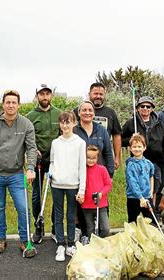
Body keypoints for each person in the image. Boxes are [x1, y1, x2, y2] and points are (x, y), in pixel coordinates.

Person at [0, 90, 37, 256]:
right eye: (8, 102)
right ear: (3, 104)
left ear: (19, 105)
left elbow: (32, 148)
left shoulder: (26, 124)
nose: (11, 105)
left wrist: (30, 167)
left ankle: (25, 241)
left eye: (14, 102)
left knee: (23, 207)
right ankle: (0, 239)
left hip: (17, 174)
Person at [74, 100, 114, 244]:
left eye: (90, 110)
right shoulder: (74, 130)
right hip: (80, 176)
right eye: (83, 110)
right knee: (83, 211)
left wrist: (110, 174)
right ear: (79, 113)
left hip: (99, 174)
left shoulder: (101, 129)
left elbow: (109, 152)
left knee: (102, 211)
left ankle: (102, 240)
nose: (87, 113)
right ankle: (86, 235)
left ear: (94, 112)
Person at [49, 111, 87, 261]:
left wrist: (82, 189)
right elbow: (52, 162)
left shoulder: (80, 142)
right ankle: (60, 245)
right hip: (57, 184)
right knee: (58, 215)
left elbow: (82, 168)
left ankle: (70, 244)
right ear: (60, 124)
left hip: (73, 185)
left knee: (71, 216)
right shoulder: (55, 143)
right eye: (62, 122)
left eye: (68, 122)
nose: (65, 125)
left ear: (74, 123)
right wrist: (51, 173)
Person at [26, 83, 61, 244]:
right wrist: (33, 152)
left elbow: (64, 135)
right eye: (41, 94)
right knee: (36, 196)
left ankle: (56, 227)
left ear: (51, 95)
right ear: (37, 96)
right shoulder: (30, 116)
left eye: (47, 94)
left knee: (56, 194)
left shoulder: (59, 114)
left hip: (56, 160)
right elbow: (27, 138)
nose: (45, 97)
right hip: (38, 160)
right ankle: (39, 225)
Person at [122, 96, 164, 208]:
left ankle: (152, 210)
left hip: (155, 161)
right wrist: (131, 139)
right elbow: (121, 140)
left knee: (154, 188)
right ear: (137, 108)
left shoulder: (159, 123)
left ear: (152, 109)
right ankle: (138, 209)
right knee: (137, 185)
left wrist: (163, 155)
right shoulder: (131, 123)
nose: (145, 108)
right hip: (137, 162)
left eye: (148, 106)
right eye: (142, 106)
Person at [74, 82, 122, 169]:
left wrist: (117, 157)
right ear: (89, 94)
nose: (98, 96)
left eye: (101, 94)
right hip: (79, 162)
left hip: (102, 160)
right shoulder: (78, 111)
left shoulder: (110, 113)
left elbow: (116, 135)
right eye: (95, 93)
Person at [81, 145, 112, 240]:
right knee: (90, 228)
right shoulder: (82, 170)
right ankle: (93, 245)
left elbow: (108, 184)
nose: (91, 160)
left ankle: (101, 241)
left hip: (101, 204)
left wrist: (102, 193)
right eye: (88, 158)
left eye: (93, 158)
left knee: (106, 228)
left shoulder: (102, 169)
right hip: (86, 205)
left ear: (97, 158)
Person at [125, 134, 157, 225]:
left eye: (139, 146)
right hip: (134, 198)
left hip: (147, 197)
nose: (137, 149)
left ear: (144, 148)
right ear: (130, 149)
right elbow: (132, 182)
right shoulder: (130, 165)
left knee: (152, 221)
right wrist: (140, 198)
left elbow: (151, 176)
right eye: (134, 147)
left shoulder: (149, 163)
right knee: (132, 222)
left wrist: (151, 191)